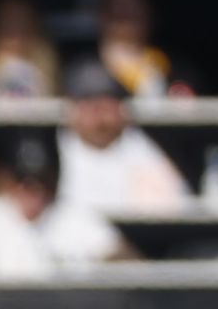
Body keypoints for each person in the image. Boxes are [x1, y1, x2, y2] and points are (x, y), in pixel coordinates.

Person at [0, 137, 135, 276]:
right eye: (22, 181)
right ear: (6, 180)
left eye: (41, 180)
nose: (32, 189)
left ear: (53, 180)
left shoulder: (76, 216)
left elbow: (126, 261)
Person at [55, 61, 187, 215]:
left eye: (107, 101)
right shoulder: (52, 150)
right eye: (88, 102)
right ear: (71, 109)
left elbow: (173, 208)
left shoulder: (141, 150)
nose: (99, 113)